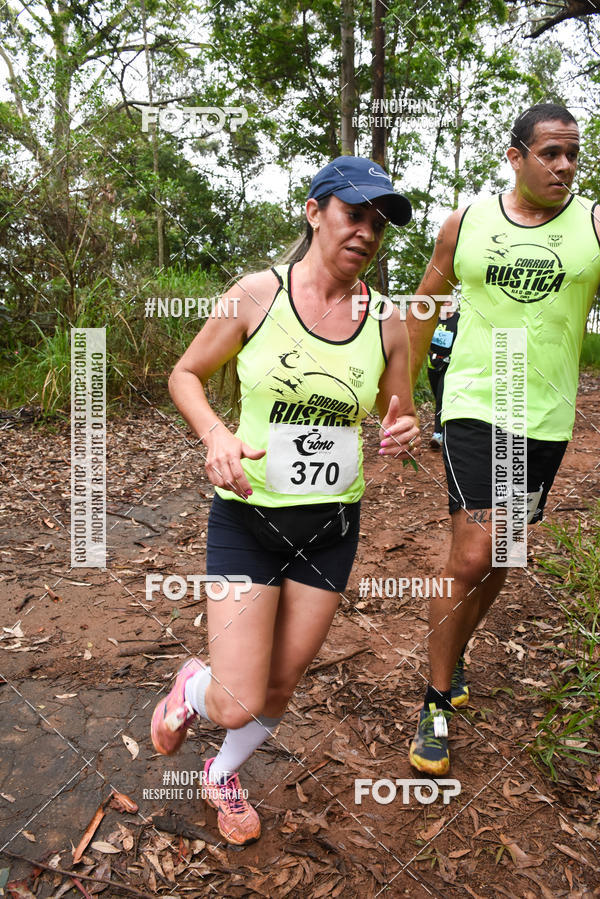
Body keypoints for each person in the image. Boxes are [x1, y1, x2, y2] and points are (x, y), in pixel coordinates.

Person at [150, 156, 419, 844]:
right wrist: (215, 432)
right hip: (247, 516)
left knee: (280, 685)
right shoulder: (256, 294)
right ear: (314, 211)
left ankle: (221, 773)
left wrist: (402, 429)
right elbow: (185, 373)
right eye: (354, 213)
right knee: (237, 696)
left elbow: (399, 412)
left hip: (331, 526)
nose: (367, 232)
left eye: (379, 223)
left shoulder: (389, 323)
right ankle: (192, 686)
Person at [405, 103, 600, 775]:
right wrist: (399, 395)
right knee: (473, 551)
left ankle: (452, 647)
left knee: (503, 558)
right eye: (550, 152)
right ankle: (435, 701)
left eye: (574, 152)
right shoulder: (467, 223)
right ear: (515, 156)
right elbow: (425, 305)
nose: (566, 165)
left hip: (544, 416)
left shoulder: (594, 226)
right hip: (476, 403)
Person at [426, 303, 460, 448]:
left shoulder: (458, 319)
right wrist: (430, 354)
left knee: (441, 397)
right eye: (444, 301)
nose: (447, 304)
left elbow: (463, 340)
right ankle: (448, 424)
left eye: (449, 301)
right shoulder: (431, 318)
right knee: (437, 397)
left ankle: (438, 434)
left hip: (449, 365)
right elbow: (424, 337)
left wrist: (452, 356)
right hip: (432, 363)